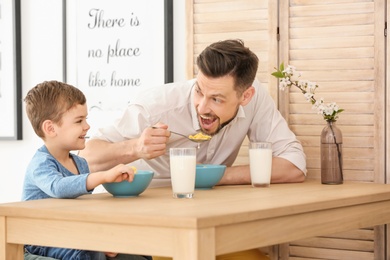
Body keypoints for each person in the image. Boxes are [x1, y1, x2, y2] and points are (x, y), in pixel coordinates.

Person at [79, 39, 307, 259]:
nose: (202, 107)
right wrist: (135, 147)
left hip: (207, 224)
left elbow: (294, 166)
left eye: (216, 99)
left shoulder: (255, 99)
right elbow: (84, 160)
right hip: (144, 226)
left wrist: (215, 176)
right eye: (199, 91)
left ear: (245, 96)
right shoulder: (157, 106)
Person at [22, 80, 152, 260]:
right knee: (85, 254)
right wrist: (103, 176)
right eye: (79, 121)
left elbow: (84, 210)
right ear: (50, 128)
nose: (87, 126)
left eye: (86, 119)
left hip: (72, 235)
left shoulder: (80, 163)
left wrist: (102, 238)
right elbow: (59, 187)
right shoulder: (41, 164)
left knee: (139, 250)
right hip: (42, 240)